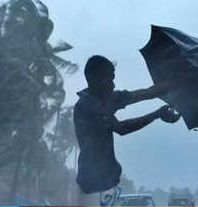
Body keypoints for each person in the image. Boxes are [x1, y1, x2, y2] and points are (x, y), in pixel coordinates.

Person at [73, 55, 180, 205]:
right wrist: (157, 114)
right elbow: (122, 128)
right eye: (110, 80)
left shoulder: (104, 98)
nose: (113, 85)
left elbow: (145, 93)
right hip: (92, 186)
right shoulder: (87, 107)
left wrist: (176, 83)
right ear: (98, 82)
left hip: (107, 182)